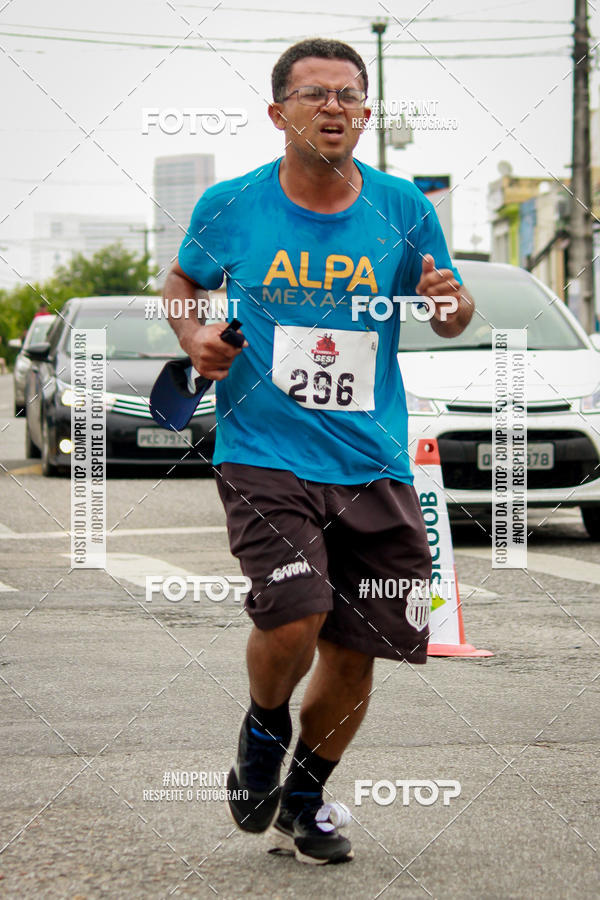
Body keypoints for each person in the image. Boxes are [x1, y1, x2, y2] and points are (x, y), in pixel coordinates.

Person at [164, 38, 474, 865]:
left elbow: (452, 310)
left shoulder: (404, 207)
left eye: (349, 96)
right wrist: (195, 336)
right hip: (264, 448)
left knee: (358, 648)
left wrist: (450, 303)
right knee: (296, 609)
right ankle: (263, 728)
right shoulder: (230, 205)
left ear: (366, 114)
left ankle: (306, 798)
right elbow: (184, 284)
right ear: (279, 113)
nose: (334, 107)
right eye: (315, 95)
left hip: (371, 458)